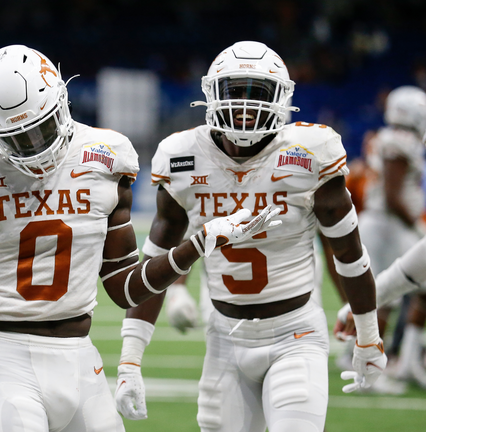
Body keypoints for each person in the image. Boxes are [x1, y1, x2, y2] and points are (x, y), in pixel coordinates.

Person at [0, 44, 280, 432]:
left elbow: (125, 289)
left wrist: (197, 243)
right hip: (6, 359)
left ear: (63, 104)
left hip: (79, 357)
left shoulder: (105, 156)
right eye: (18, 138)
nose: (35, 147)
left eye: (41, 128)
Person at [114, 41, 386, 432]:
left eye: (256, 92)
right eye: (234, 91)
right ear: (212, 95)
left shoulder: (309, 152)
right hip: (224, 337)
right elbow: (154, 270)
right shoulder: (181, 157)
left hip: (296, 334)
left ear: (282, 99)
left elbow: (349, 255)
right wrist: (129, 359)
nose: (244, 105)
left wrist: (369, 337)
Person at [356, 85, 426, 387]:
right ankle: (378, 369)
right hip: (389, 223)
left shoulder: (387, 137)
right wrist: (417, 225)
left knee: (393, 294)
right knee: (385, 297)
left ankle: (406, 361)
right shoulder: (401, 141)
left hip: (380, 222)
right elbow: (393, 194)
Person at [334, 236, 426, 387]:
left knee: (422, 295)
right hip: (386, 232)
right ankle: (367, 369)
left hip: (396, 233)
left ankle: (408, 362)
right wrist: (363, 303)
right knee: (389, 305)